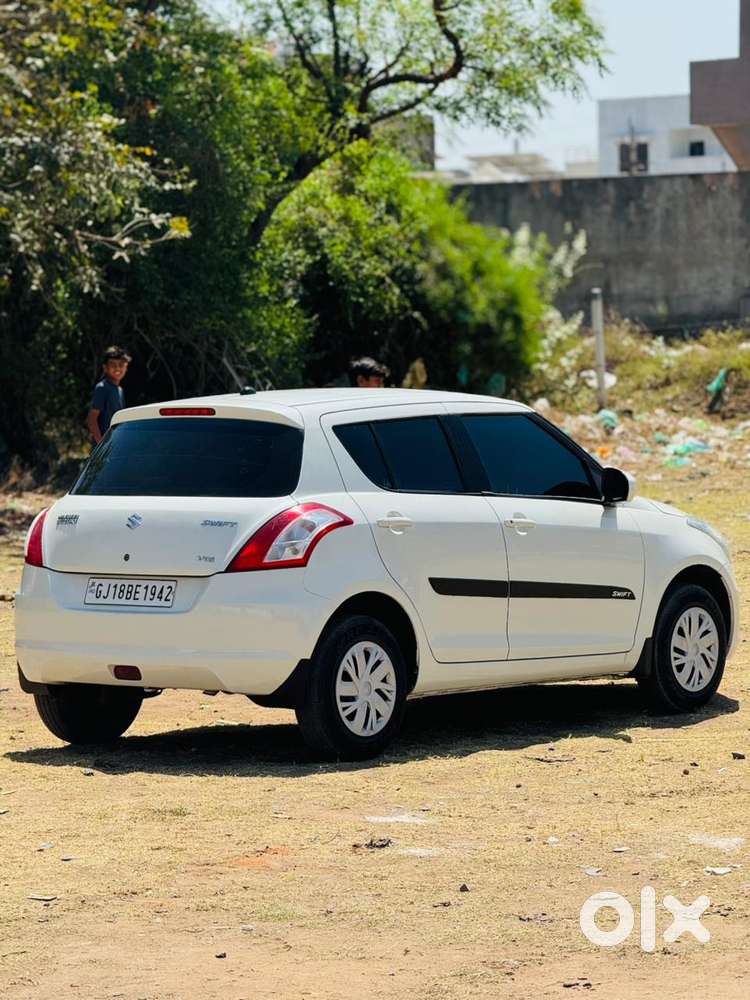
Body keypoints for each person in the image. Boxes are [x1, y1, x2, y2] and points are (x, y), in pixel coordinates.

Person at [87, 346, 131, 445]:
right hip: (105, 449)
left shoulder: (119, 390)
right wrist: (102, 446)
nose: (117, 368)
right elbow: (92, 419)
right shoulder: (102, 388)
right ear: (105, 367)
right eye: (113, 364)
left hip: (115, 445)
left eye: (121, 364)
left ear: (126, 366)